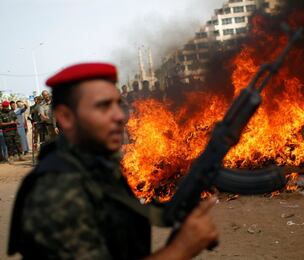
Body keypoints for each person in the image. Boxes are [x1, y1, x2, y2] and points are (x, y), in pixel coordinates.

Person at [8, 62, 218, 259]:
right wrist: (180, 249)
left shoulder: (95, 165)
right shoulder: (56, 187)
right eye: (103, 106)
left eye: (118, 104)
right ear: (65, 117)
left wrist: (175, 207)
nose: (119, 115)